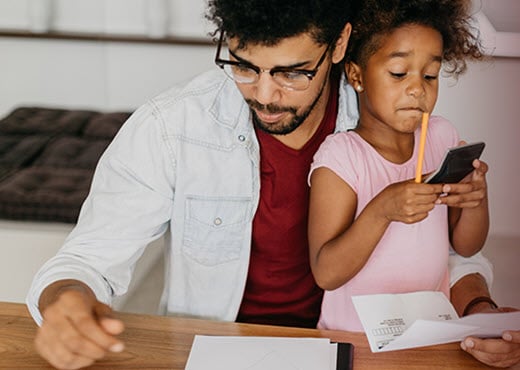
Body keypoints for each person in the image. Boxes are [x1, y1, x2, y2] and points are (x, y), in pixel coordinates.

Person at [25, 0, 519, 369]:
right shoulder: (171, 125)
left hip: (361, 345)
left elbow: (450, 249)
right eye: (242, 64)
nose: (264, 94)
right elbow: (87, 259)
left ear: (340, 45)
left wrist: (478, 311)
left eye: (292, 72)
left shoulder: (388, 117)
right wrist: (64, 300)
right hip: (223, 350)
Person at [308, 0, 489, 332]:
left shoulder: (442, 136)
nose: (418, 88)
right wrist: (383, 209)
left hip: (431, 331)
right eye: (398, 73)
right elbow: (326, 273)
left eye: (430, 75)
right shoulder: (340, 157)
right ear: (356, 75)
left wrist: (476, 199)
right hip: (354, 338)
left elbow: (466, 245)